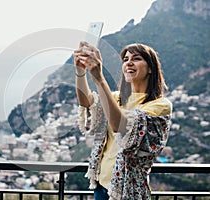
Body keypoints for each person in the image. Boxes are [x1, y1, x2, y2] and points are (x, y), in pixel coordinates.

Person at [73, 42, 172, 200]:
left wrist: (99, 79)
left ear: (151, 68)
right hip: (101, 184)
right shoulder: (117, 98)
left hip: (127, 189)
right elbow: (87, 103)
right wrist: (80, 71)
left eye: (136, 58)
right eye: (125, 59)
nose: (129, 63)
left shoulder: (160, 105)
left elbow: (122, 128)